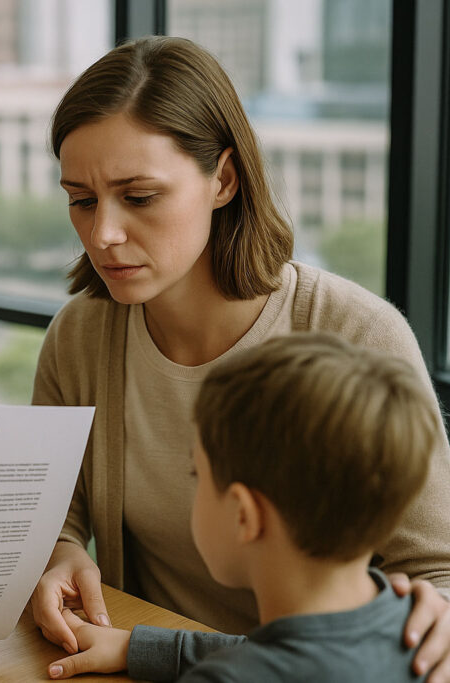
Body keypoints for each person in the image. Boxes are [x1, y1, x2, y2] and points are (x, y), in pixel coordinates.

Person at [29, 35, 450, 680]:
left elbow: (437, 574)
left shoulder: (355, 334)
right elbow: (50, 517)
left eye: (139, 197)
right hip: (136, 663)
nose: (103, 234)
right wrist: (58, 556)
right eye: (81, 200)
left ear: (223, 179)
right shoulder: (80, 337)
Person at [46, 332, 441, 680]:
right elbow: (287, 655)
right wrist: (136, 648)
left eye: (195, 474)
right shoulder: (423, 634)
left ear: (243, 514)